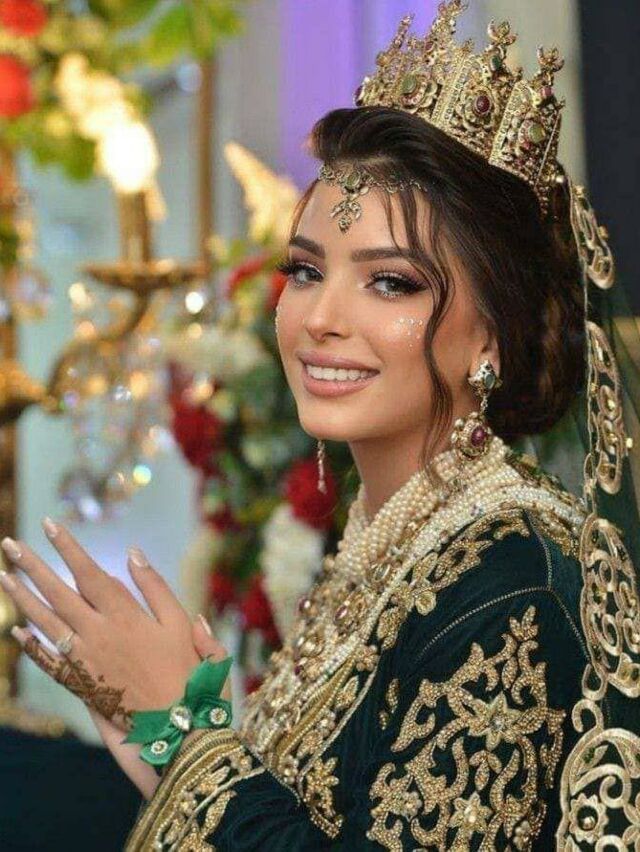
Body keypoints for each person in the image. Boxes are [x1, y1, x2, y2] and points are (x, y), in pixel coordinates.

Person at [2, 2, 639, 849]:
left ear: (492, 335)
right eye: (305, 270)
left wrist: (184, 737)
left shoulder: (514, 577)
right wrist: (162, 741)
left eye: (391, 282)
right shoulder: (388, 535)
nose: (320, 319)